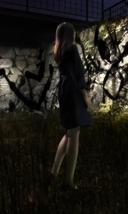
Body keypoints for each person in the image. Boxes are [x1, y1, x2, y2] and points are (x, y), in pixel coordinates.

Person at [50, 22, 93, 189]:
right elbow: (79, 73)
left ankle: (53, 173)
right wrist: (85, 96)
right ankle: (68, 180)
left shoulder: (58, 51)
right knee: (74, 133)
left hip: (64, 89)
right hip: (73, 91)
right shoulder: (72, 49)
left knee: (69, 132)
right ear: (70, 34)